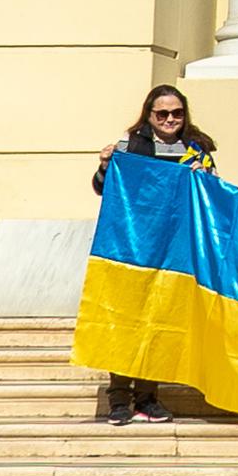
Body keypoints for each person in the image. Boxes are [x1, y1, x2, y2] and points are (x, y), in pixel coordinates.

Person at [91, 85, 218, 423]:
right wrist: (106, 164)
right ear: (149, 115)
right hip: (131, 251)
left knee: (159, 324)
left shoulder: (197, 149)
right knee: (126, 325)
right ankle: (119, 399)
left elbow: (212, 196)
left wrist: (204, 179)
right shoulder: (129, 146)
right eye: (162, 113)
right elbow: (103, 187)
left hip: (174, 255)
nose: (170, 119)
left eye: (176, 113)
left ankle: (148, 398)